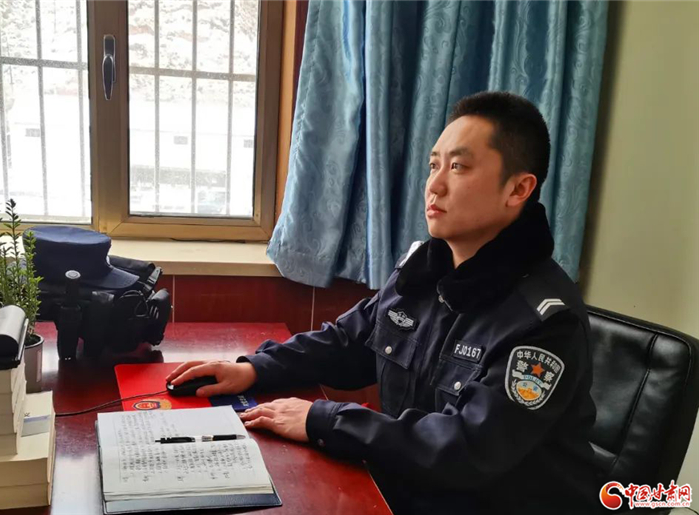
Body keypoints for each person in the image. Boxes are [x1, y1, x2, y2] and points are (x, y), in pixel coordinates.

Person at [166, 91, 600, 514]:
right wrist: (254, 369)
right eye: (433, 165)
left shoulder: (544, 321)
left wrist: (324, 420)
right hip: (405, 489)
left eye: (458, 167)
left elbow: (467, 449)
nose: (434, 185)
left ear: (518, 189)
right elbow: (349, 342)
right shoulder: (427, 267)